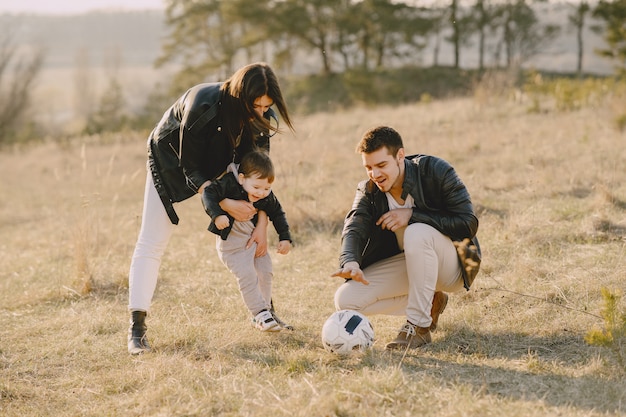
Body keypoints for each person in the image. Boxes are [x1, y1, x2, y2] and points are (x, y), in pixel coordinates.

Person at [127, 62, 293, 355]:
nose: (262, 113)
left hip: (225, 168)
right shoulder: (201, 105)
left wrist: (263, 225)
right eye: (256, 105)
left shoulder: (263, 117)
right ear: (241, 97)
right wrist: (223, 202)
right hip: (173, 162)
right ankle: (137, 329)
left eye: (267, 106)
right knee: (152, 240)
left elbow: (260, 179)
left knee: (255, 248)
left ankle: (265, 312)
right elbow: (190, 167)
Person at [331, 126, 481, 350]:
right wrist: (350, 261)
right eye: (369, 167)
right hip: (412, 264)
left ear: (400, 156)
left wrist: (412, 215)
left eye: (381, 165)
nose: (375, 174)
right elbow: (355, 226)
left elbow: (468, 223)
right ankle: (430, 301)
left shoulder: (434, 170)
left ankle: (418, 327)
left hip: (453, 264)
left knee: (416, 231)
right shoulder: (369, 190)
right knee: (345, 301)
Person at [202, 150, 292, 332]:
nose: (261, 193)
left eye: (266, 188)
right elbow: (208, 193)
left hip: (253, 241)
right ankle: (260, 313)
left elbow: (278, 213)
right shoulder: (229, 184)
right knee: (248, 275)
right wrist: (217, 215)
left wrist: (285, 237)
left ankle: (264, 312)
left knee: (265, 272)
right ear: (242, 179)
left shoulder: (265, 195)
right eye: (257, 187)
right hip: (232, 246)